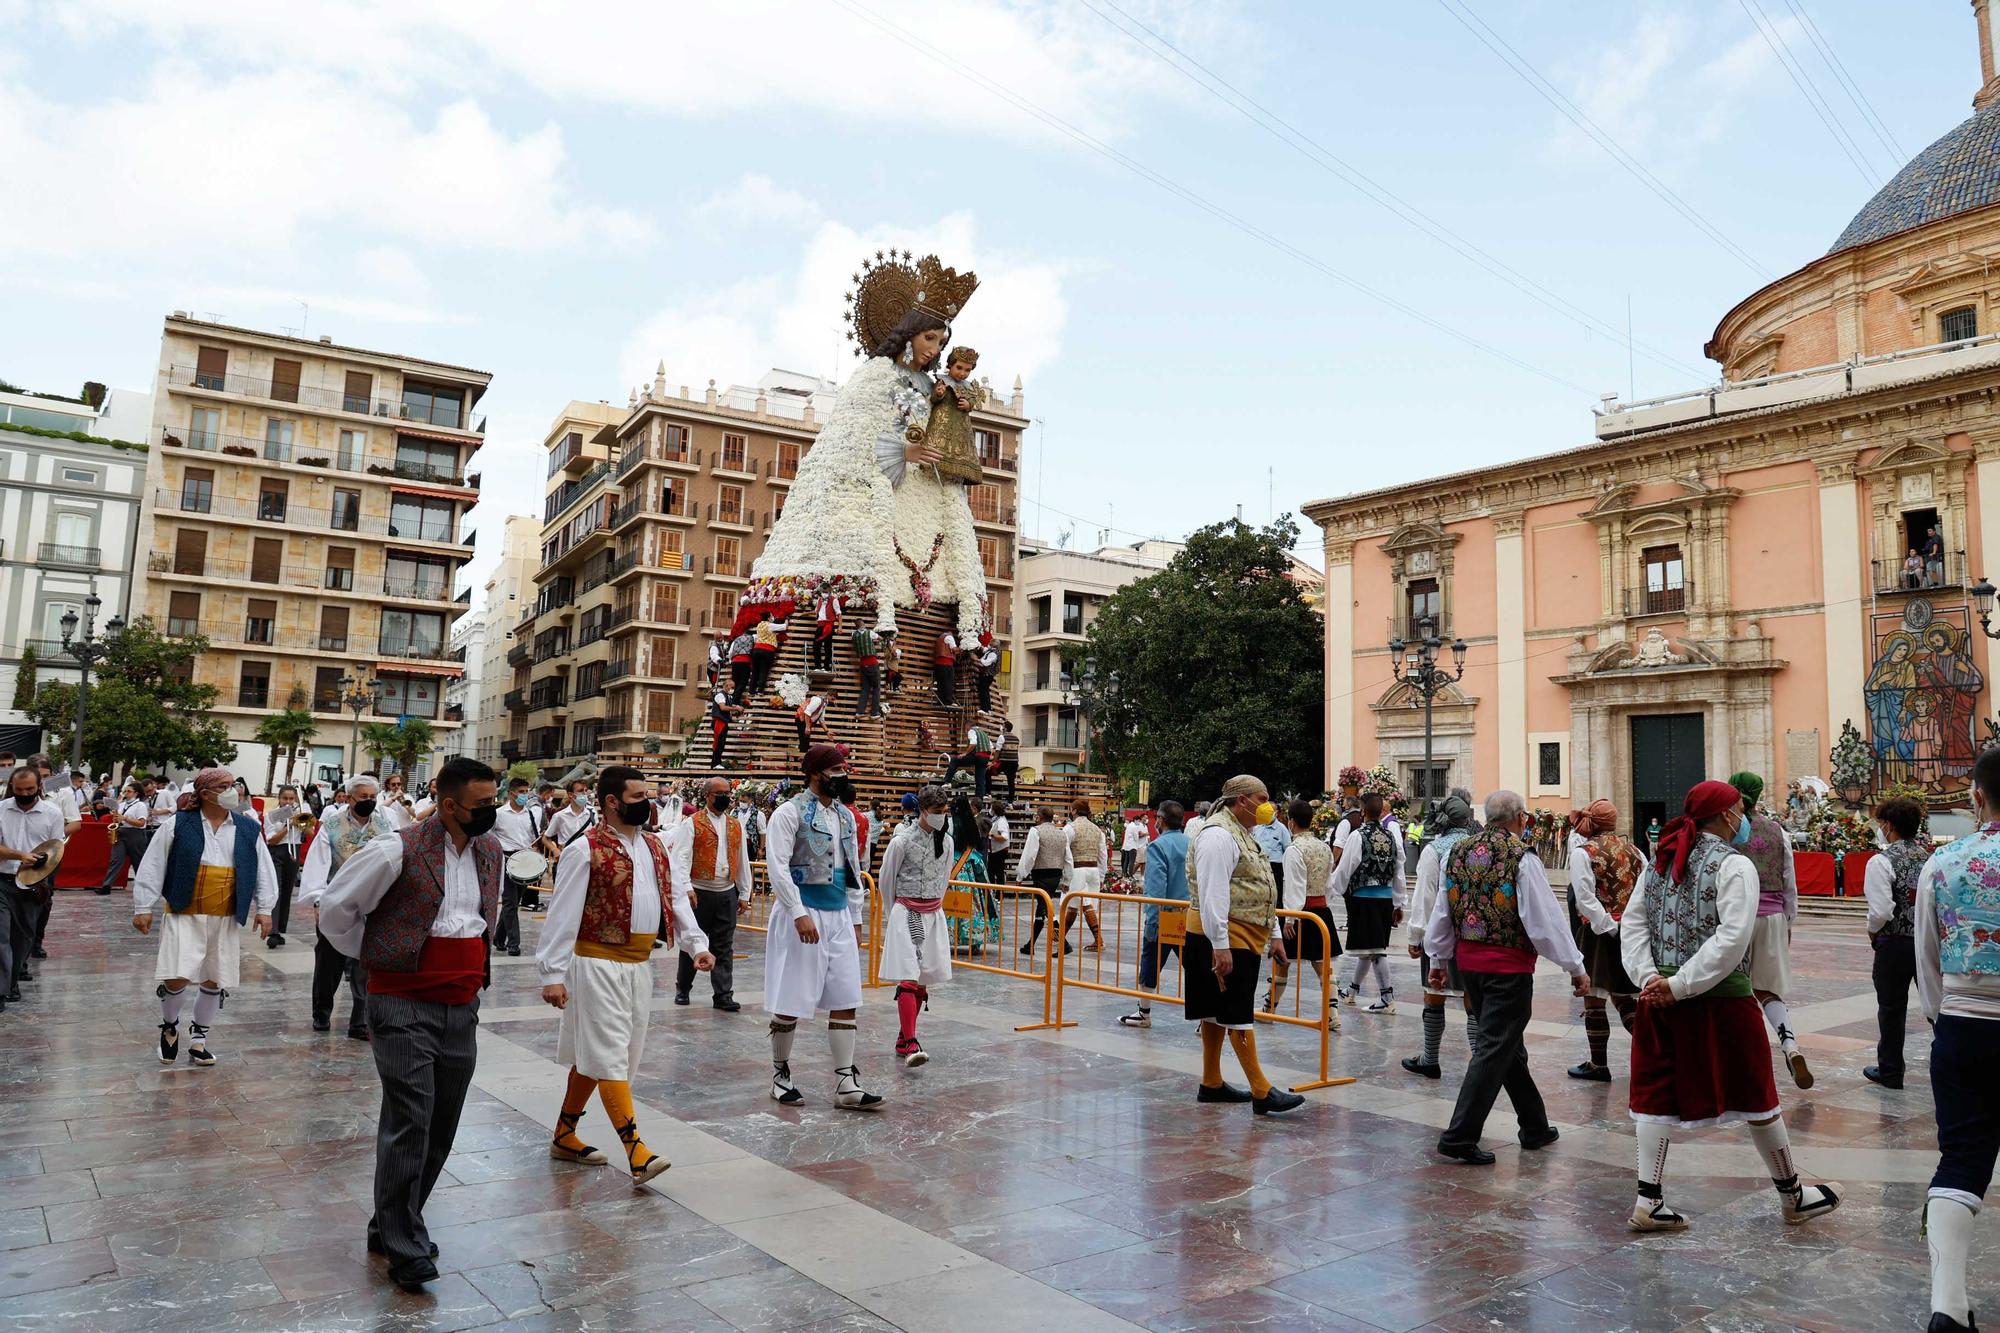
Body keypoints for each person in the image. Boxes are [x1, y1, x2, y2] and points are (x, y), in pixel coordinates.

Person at [1620, 778, 1841, 1233]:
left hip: (1659, 998)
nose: (1743, 818)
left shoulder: (1657, 862)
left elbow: (1633, 924)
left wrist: (1650, 978)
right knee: (1757, 1093)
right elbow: (1732, 936)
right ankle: (1793, 1195)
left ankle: (1649, 1198)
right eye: (1739, 810)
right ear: (1725, 815)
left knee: (1655, 1093)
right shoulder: (1734, 865)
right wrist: (1680, 984)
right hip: (1719, 998)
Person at [318, 756, 503, 1292]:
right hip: (401, 1003)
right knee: (410, 1118)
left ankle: (393, 1221)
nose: (491, 811)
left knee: (443, 1119)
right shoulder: (395, 848)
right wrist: (383, 956)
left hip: (461, 1003)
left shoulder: (490, 849)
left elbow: (480, 919)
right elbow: (336, 911)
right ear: (448, 805)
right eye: (482, 804)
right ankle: (405, 1245)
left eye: (494, 800)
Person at [744, 254, 986, 640]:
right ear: (908, 333)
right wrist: (905, 453)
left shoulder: (932, 387)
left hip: (930, 498)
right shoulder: (874, 376)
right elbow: (857, 443)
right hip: (873, 502)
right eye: (929, 338)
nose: (934, 350)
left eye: (940, 342)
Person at [539, 766, 712, 1184]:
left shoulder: (655, 846)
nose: (647, 803)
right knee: (610, 1054)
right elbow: (562, 915)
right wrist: (552, 973)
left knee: (604, 1055)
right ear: (612, 802)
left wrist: (697, 943)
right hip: (596, 962)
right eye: (637, 797)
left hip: (638, 965)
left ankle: (564, 1135)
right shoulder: (586, 849)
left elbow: (674, 898)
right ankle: (637, 1151)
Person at [1425, 791, 1588, 1165]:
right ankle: (1459, 1136)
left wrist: (1438, 958)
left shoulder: (1458, 852)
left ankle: (1535, 1125)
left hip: (1470, 968)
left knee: (1506, 1046)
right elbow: (1543, 919)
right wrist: (1575, 965)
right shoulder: (1521, 857)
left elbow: (1443, 908)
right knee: (1494, 1047)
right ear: (1519, 818)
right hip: (1508, 968)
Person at [1914, 749, 2000, 1333]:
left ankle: (1947, 1307)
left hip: (1966, 1024)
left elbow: (1928, 958)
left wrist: (1945, 1016)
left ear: (1976, 797)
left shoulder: (1945, 862)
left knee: (1962, 1159)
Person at [130, 767, 278, 1068]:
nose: (233, 790)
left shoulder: (247, 827)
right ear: (206, 792)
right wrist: (142, 906)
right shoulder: (178, 824)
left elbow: (262, 868)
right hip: (184, 910)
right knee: (177, 975)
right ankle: (170, 1027)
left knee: (215, 977)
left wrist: (264, 909)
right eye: (224, 785)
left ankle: (199, 1039)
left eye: (234, 784)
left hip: (224, 914)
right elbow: (153, 863)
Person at [763, 745, 881, 1108]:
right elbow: (778, 866)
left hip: (839, 915)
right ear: (816, 773)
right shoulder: (788, 813)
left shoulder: (847, 816)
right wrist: (797, 912)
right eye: (836, 769)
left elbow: (854, 868)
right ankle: (780, 1075)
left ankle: (846, 1083)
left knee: (847, 997)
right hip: (804, 912)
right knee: (791, 998)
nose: (843, 774)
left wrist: (856, 918)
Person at [1184, 775, 1304, 1116]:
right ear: (1241, 801)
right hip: (1224, 937)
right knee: (1236, 1013)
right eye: (1262, 797)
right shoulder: (1217, 836)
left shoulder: (1245, 834)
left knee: (1215, 1012)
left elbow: (1262, 886)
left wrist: (1275, 935)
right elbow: (1213, 894)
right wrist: (1219, 944)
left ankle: (1211, 1082)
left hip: (1243, 934)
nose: (1269, 805)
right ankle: (1261, 1090)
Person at [298, 774, 397, 1037]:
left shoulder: (386, 822)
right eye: (363, 797)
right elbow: (318, 864)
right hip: (337, 903)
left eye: (373, 797)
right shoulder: (330, 825)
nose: (369, 801)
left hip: (374, 904)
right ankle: (321, 1013)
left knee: (365, 965)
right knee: (329, 963)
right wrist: (318, 900)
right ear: (349, 798)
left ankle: (360, 1022)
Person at [1730, 771, 1809, 1089]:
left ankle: (1741, 1059)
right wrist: (1788, 921)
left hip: (1736, 916)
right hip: (1773, 916)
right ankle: (1789, 1043)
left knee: (1733, 989)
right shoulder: (1778, 831)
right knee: (1767, 989)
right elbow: (1790, 881)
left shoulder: (1727, 829)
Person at [1565, 798, 1646, 1083]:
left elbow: (1585, 897)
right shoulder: (1634, 850)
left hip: (1599, 933)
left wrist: (1607, 926)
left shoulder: (1583, 852)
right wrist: (1629, 926)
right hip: (1628, 929)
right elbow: (1643, 892)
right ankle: (1655, 1054)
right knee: (1624, 995)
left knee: (1594, 997)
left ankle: (1599, 1064)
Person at [878, 784, 956, 1068]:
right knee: (909, 977)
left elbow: (944, 877)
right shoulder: (902, 841)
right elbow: (887, 880)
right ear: (922, 810)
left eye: (944, 812)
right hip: (906, 911)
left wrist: (936, 907)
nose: (941, 817)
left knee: (923, 979)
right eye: (936, 812)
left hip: (932, 912)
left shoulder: (946, 842)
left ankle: (903, 1035)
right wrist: (894, 914)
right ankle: (910, 1041)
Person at [1401, 793, 1477, 1078]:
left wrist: (1415, 936)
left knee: (1434, 992)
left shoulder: (1434, 850)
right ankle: (1478, 1060)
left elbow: (1425, 895)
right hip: (1472, 931)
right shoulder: (1476, 846)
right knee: (1471, 994)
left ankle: (1430, 1058)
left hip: (1439, 929)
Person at [1861, 795, 1930, 1089]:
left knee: (1891, 1008)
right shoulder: (1931, 857)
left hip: (1894, 943)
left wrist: (1872, 931)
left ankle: (1890, 1071)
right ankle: (1952, 1064)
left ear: (1888, 825)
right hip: (1926, 941)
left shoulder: (1881, 861)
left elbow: (1881, 910)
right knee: (1934, 1004)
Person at [669, 777, 752, 1011]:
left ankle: (723, 994)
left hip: (726, 892)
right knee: (691, 941)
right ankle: (683, 988)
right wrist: (686, 887)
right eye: (719, 793)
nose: (725, 797)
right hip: (699, 892)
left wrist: (744, 892)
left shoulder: (736, 824)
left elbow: (741, 859)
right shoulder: (692, 823)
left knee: (724, 945)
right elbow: (681, 858)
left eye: (728, 793)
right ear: (707, 796)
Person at [1330, 792, 1405, 1013]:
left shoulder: (1358, 836)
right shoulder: (1392, 836)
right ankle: (1352, 991)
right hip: (1385, 900)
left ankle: (1387, 997)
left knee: (1376, 949)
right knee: (1370, 946)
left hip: (1363, 898)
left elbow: (1346, 867)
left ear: (1362, 811)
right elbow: (1398, 870)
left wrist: (1333, 890)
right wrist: (1399, 902)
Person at [1120, 801, 1191, 1028]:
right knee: (1195, 967)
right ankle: (1207, 1019)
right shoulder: (1192, 844)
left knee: (1150, 962)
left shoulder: (1158, 847)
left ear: (1160, 819)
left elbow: (1156, 887)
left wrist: (1152, 920)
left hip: (1165, 916)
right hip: (1190, 915)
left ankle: (1144, 1012)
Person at [1267, 799, 1339, 1017]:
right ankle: (1332, 1015)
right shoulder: (1324, 847)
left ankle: (1270, 1008)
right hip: (1321, 911)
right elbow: (1329, 882)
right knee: (1322, 963)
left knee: (1283, 961)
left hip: (1300, 912)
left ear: (1291, 822)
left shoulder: (1293, 850)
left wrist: (1290, 918)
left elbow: (1294, 885)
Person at [0, 766, 64, 1012]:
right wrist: (19, 855)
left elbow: (56, 850)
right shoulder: (2, 809)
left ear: (39, 787)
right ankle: (2, 989)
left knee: (22, 939)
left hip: (32, 884)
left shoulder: (52, 813)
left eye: (29, 789)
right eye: (18, 790)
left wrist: (43, 873)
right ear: (12, 788)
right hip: (3, 880)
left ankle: (13, 979)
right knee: (1, 938)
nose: (24, 793)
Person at [493, 777, 543, 957]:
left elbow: (533, 836)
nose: (525, 795)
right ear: (511, 793)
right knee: (509, 901)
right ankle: (514, 944)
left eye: (526, 791)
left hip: (524, 861)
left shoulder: (530, 814)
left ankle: (498, 938)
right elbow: (490, 836)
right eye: (521, 792)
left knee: (513, 902)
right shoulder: (499, 814)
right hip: (507, 859)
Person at [1016, 807, 1072, 956]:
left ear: (1040, 817)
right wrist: (1067, 879)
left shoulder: (1036, 831)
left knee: (1046, 909)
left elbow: (1029, 855)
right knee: (1041, 909)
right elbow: (1068, 858)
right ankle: (1030, 945)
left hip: (1041, 874)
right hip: (1056, 875)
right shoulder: (1062, 833)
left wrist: (1020, 875)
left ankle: (1064, 944)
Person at [263, 783, 306, 947]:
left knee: (287, 892)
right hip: (276, 852)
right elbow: (271, 840)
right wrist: (288, 826)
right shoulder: (272, 815)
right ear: (279, 799)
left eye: (291, 798)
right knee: (277, 891)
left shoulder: (299, 813)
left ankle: (280, 929)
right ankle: (272, 932)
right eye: (285, 798)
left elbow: (310, 833)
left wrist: (302, 820)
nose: (288, 802)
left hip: (293, 852)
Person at [98, 779, 153, 898]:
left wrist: (125, 818)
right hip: (121, 832)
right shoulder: (122, 805)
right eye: (125, 791)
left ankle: (145, 887)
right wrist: (116, 819)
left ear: (136, 793)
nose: (126, 793)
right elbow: (117, 819)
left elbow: (141, 823)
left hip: (136, 834)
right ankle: (106, 886)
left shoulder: (140, 805)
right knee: (115, 859)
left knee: (138, 861)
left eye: (129, 791)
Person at [1064, 801, 1108, 953]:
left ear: (1074, 810)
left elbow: (1067, 855)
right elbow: (1103, 855)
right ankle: (1062, 936)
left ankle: (1097, 939)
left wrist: (1066, 876)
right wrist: (1101, 876)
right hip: (1093, 870)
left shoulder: (1070, 828)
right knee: (1081, 904)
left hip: (1077, 869)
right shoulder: (1097, 830)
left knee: (1076, 903)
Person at [947, 723, 996, 798]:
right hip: (985, 758)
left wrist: (965, 753)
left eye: (965, 728)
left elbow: (973, 744)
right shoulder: (985, 734)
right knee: (980, 779)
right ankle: (979, 800)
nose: (965, 730)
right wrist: (989, 756)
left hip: (977, 756)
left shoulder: (972, 731)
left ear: (968, 726)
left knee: (955, 760)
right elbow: (992, 749)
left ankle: (947, 782)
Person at [1252, 806, 1290, 899]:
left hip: (1275, 866)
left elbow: (1288, 848)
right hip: (1259, 865)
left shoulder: (1282, 829)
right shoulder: (1257, 827)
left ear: (1276, 813)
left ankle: (1279, 913)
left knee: (1276, 894)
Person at [709, 683, 744, 769]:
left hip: (723, 722)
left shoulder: (728, 697)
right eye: (731, 687)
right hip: (718, 722)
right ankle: (715, 764)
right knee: (718, 742)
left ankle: (718, 762)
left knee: (722, 743)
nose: (732, 689)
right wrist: (735, 708)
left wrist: (736, 714)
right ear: (726, 686)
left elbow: (726, 712)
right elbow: (723, 708)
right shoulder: (720, 695)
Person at [853, 624, 884, 719]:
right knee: (876, 688)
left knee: (865, 689)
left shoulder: (854, 634)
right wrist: (873, 640)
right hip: (872, 664)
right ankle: (874, 713)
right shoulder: (869, 633)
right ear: (862, 625)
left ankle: (860, 712)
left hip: (862, 664)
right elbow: (881, 638)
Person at [749, 612, 781, 695]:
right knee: (764, 670)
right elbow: (784, 627)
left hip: (756, 649)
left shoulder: (759, 625)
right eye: (771, 616)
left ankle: (751, 690)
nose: (773, 617)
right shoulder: (770, 625)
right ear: (768, 618)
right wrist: (787, 621)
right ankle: (760, 690)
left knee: (755, 671)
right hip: (767, 650)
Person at [986, 797, 1012, 887]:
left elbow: (1004, 837)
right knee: (991, 872)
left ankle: (999, 894)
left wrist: (991, 834)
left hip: (1000, 851)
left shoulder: (1001, 821)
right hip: (994, 850)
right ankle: (994, 892)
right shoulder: (996, 819)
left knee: (998, 873)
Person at [727, 624, 755, 703]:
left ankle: (731, 699)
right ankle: (735, 701)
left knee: (735, 681)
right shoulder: (752, 638)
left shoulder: (736, 639)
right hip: (745, 661)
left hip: (735, 662)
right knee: (743, 682)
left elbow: (730, 652)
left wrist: (730, 660)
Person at [812, 593, 840, 672]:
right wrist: (805, 613)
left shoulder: (834, 600)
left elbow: (839, 614)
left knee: (827, 647)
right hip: (820, 625)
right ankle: (817, 667)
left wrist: (840, 626)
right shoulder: (819, 600)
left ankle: (826, 667)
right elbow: (816, 611)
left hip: (829, 625)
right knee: (816, 646)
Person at [796, 690, 829, 754]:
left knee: (805, 741)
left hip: (806, 720)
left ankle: (802, 756)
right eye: (832, 699)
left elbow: (821, 718)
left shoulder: (825, 702)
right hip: (801, 719)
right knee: (804, 741)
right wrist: (807, 727)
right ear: (829, 696)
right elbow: (807, 712)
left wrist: (827, 731)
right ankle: (802, 758)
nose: (833, 701)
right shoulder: (818, 700)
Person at [973, 634, 1000, 713]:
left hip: (987, 675)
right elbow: (985, 649)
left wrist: (976, 659)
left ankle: (985, 708)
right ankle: (988, 708)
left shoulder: (993, 653)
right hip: (986, 674)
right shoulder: (990, 651)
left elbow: (985, 663)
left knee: (983, 690)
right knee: (985, 690)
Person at [933, 628, 958, 707]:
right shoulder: (949, 637)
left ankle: (940, 701)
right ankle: (948, 701)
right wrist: (962, 649)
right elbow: (954, 649)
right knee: (948, 682)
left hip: (938, 664)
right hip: (946, 663)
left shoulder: (940, 638)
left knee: (941, 683)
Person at [995, 719, 1020, 799]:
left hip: (1004, 762)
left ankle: (988, 792)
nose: (1002, 728)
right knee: (1011, 782)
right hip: (1014, 762)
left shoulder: (1002, 737)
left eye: (1003, 726)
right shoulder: (1016, 738)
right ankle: (1010, 800)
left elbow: (997, 750)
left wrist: (994, 761)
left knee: (988, 772)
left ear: (1005, 728)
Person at [1121, 810, 1150, 879]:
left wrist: (1147, 837)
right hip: (1136, 846)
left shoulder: (1144, 826)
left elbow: (1144, 835)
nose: (1146, 819)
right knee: (1135, 861)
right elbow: (1137, 836)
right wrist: (1145, 834)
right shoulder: (1136, 826)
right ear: (1139, 819)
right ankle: (1131, 874)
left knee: (1141, 862)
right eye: (1145, 818)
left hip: (1140, 845)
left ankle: (1127, 874)